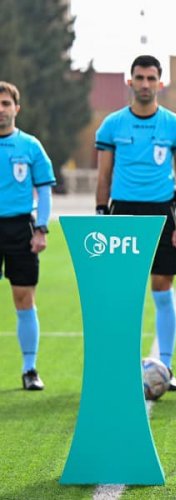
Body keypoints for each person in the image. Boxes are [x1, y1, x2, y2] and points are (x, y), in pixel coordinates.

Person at [95, 55, 176, 391]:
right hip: (122, 213)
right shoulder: (111, 125)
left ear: (160, 82)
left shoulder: (175, 126)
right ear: (130, 81)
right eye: (140, 77)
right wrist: (100, 215)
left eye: (152, 78)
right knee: (125, 292)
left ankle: (166, 365)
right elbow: (104, 175)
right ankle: (124, 365)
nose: (146, 84)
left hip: (161, 213)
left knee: (162, 287)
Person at [0, 81, 55, 391]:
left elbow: (45, 189)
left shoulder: (30, 146)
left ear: (16, 108)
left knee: (24, 299)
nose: (1, 110)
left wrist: (42, 228)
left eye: (6, 104)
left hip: (21, 228)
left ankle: (29, 369)